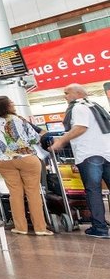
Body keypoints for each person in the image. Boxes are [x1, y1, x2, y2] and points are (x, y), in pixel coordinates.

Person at [0, 96, 51, 236]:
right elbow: (35, 138)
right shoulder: (19, 119)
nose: (14, 105)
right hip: (27, 159)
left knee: (15, 194)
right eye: (11, 103)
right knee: (33, 192)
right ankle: (40, 228)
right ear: (6, 106)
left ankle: (20, 227)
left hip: (4, 161)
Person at [49, 84, 110, 239]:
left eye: (67, 93)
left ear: (77, 93)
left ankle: (100, 228)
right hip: (106, 152)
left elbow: (80, 127)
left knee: (93, 191)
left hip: (90, 154)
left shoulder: (78, 107)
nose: (65, 96)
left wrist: (60, 141)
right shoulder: (96, 106)